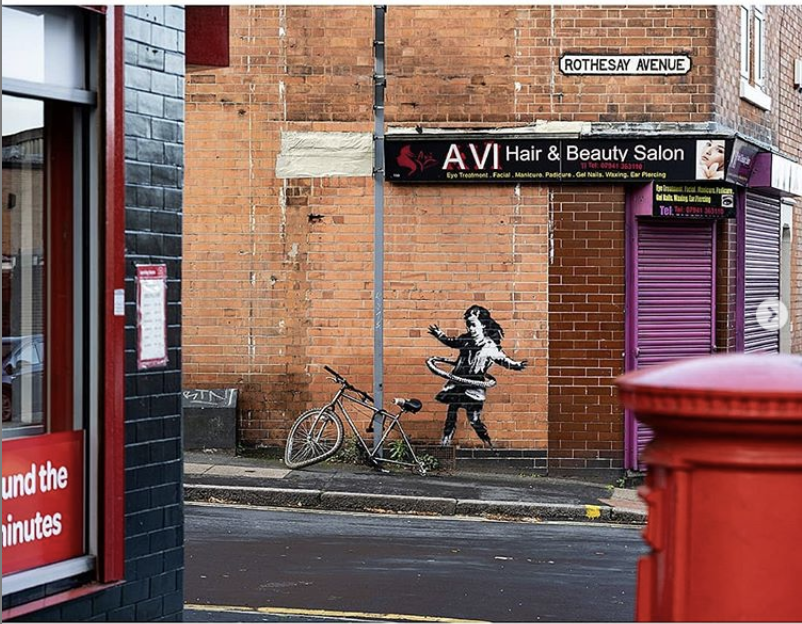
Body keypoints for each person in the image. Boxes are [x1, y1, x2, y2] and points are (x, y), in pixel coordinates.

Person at [427, 305, 527, 447]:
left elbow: (503, 359)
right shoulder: (465, 340)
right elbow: (452, 342)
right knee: (452, 410)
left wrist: (516, 365)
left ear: (483, 325)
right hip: (458, 383)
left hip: (474, 388)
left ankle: (487, 442)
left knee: (473, 419)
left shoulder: (490, 348)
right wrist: (440, 335)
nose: (470, 329)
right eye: (468, 325)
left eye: (473, 325)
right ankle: (446, 440)